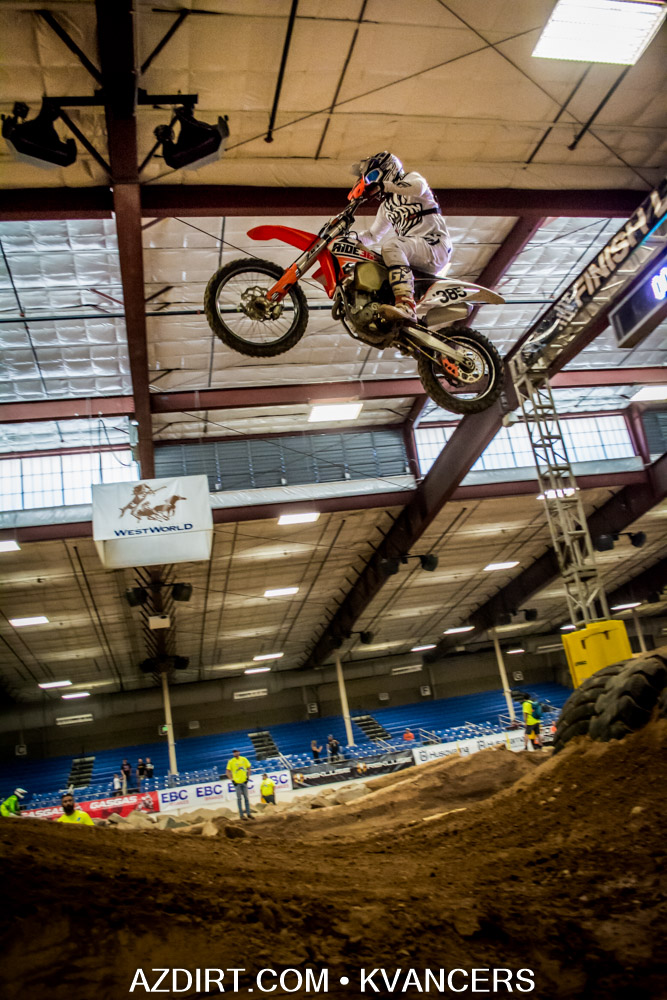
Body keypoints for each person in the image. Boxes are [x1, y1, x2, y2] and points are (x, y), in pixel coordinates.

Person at [353, 151, 452, 323]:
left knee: (392, 246)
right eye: (368, 179)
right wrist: (350, 239)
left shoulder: (412, 179)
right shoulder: (386, 207)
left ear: (388, 169)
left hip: (434, 244)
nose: (371, 182)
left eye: (373, 176)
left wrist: (386, 186)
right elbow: (373, 235)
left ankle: (406, 305)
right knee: (378, 263)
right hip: (415, 252)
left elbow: (418, 187)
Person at [225, 749, 253, 820]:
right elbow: (227, 772)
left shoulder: (244, 759)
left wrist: (247, 778)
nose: (235, 753)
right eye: (234, 752)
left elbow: (249, 768)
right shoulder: (231, 761)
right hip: (237, 783)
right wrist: (232, 780)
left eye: (236, 752)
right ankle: (241, 815)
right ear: (233, 754)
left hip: (244, 781)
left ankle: (248, 813)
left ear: (239, 752)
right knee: (239, 798)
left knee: (246, 798)